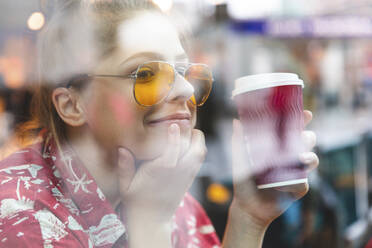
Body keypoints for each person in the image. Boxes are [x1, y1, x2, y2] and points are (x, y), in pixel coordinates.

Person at [0, 0, 319, 247]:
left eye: (182, 72)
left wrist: (248, 218)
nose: (184, 90)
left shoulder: (167, 194)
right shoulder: (19, 217)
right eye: (146, 74)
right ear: (72, 105)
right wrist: (150, 224)